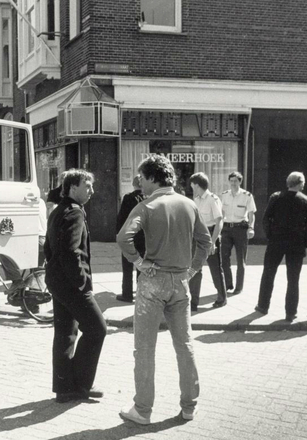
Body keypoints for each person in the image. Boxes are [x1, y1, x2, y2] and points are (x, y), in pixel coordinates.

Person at [117, 155, 211, 424]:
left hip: (153, 280)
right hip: (181, 281)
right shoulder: (189, 204)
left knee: (145, 349)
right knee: (185, 345)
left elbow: (123, 237)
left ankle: (143, 410)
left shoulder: (147, 205)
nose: (140, 183)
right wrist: (192, 270)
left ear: (151, 178)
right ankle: (189, 406)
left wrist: (138, 262)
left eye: (142, 178)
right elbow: (205, 243)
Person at [44, 169, 107, 403]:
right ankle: (81, 384)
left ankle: (64, 388)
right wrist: (82, 283)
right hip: (72, 285)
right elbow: (71, 252)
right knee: (97, 329)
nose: (92, 190)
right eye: (87, 186)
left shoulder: (59, 210)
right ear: (72, 188)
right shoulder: (75, 213)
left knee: (65, 334)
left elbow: (48, 248)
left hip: (58, 283)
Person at [255, 172, 307, 322]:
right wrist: (306, 243)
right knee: (293, 279)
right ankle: (290, 312)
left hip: (276, 241)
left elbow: (266, 219)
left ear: (288, 182)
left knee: (268, 273)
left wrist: (270, 235)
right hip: (296, 243)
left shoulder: (276, 197)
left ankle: (263, 306)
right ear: (300, 183)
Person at [188, 172, 227, 311]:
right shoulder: (196, 200)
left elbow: (219, 222)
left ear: (198, 186)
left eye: (193, 186)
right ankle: (193, 303)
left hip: (210, 234)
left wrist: (213, 241)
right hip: (197, 235)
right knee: (195, 268)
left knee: (215, 269)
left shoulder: (212, 199)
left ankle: (222, 298)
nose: (192, 188)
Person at [220, 171, 257, 294]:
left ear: (240, 182)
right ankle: (228, 284)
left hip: (240, 229)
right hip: (226, 229)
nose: (233, 183)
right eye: (231, 181)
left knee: (241, 260)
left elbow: (251, 214)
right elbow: (221, 213)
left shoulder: (247, 196)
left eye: (236, 181)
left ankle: (239, 287)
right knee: (224, 258)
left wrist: (251, 228)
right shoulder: (224, 195)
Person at [115, 175, 146, 303]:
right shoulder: (148, 198)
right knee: (142, 265)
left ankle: (127, 294)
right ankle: (141, 294)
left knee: (127, 266)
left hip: (130, 236)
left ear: (133, 185)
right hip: (144, 236)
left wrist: (118, 234)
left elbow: (121, 218)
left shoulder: (128, 198)